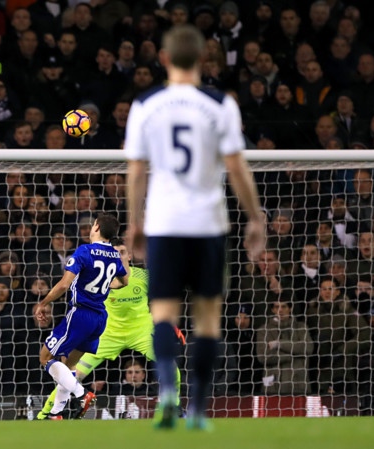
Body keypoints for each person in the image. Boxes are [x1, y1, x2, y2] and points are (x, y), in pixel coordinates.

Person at [125, 25, 265, 430]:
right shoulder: (220, 103)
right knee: (206, 320)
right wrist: (255, 217)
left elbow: (135, 171)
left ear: (164, 59)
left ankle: (167, 391)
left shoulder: (146, 104)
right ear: (204, 60)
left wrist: (136, 222)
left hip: (166, 224)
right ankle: (198, 411)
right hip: (208, 225)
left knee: (163, 316)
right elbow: (237, 166)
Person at [37, 237, 185, 420]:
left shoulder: (143, 277)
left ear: (129, 255)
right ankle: (45, 414)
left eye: (122, 252)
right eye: (115, 253)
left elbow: (162, 300)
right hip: (108, 334)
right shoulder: (100, 280)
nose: (118, 256)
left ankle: (173, 406)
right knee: (73, 374)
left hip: (141, 332)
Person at [33, 213, 128, 420]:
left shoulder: (85, 251)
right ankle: (55, 413)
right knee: (68, 366)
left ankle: (81, 394)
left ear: (96, 228)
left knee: (45, 357)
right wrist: (104, 287)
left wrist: (43, 303)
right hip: (99, 318)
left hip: (80, 314)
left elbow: (64, 284)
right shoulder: (114, 254)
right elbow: (124, 281)